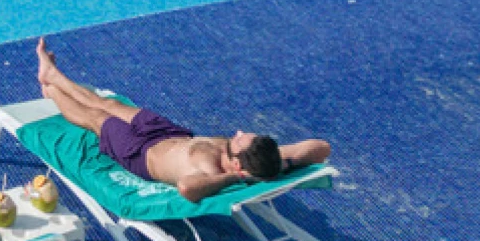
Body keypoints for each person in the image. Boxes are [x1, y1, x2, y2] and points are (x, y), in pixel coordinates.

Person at [36, 38, 331, 202]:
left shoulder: (210, 170)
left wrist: (232, 178)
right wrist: (282, 163)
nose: (239, 132)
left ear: (237, 165)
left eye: (240, 140)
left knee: (96, 117)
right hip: (168, 133)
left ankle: (52, 88)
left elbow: (187, 189)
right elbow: (321, 148)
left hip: (140, 154)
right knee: (108, 103)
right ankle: (54, 77)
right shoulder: (265, 161)